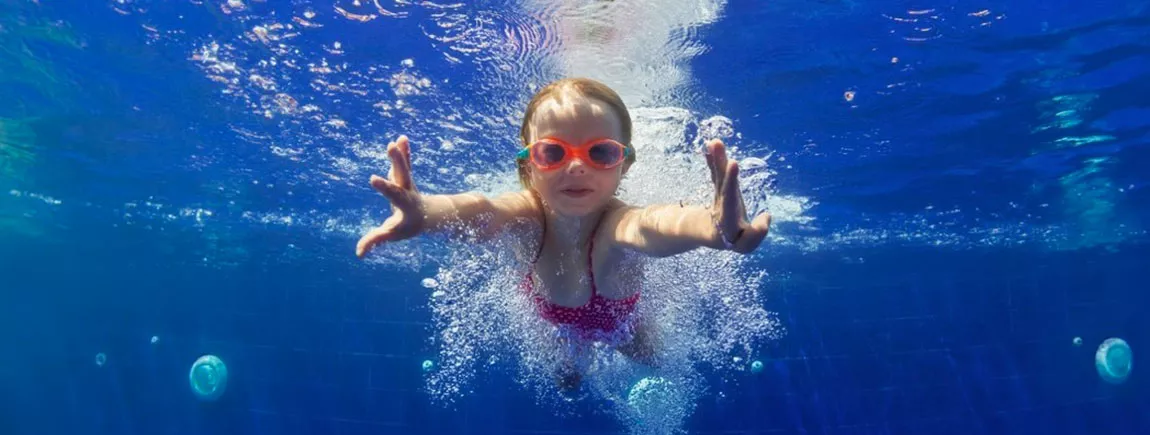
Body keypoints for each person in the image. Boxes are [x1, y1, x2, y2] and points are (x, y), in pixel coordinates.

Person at [355, 77, 771, 391]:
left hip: (624, 324)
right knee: (567, 382)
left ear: (623, 164)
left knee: (653, 360)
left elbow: (656, 224)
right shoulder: (526, 215)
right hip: (557, 326)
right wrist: (426, 213)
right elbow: (481, 210)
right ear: (529, 165)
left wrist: (714, 228)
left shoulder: (617, 222)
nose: (576, 167)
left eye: (601, 152)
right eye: (552, 152)